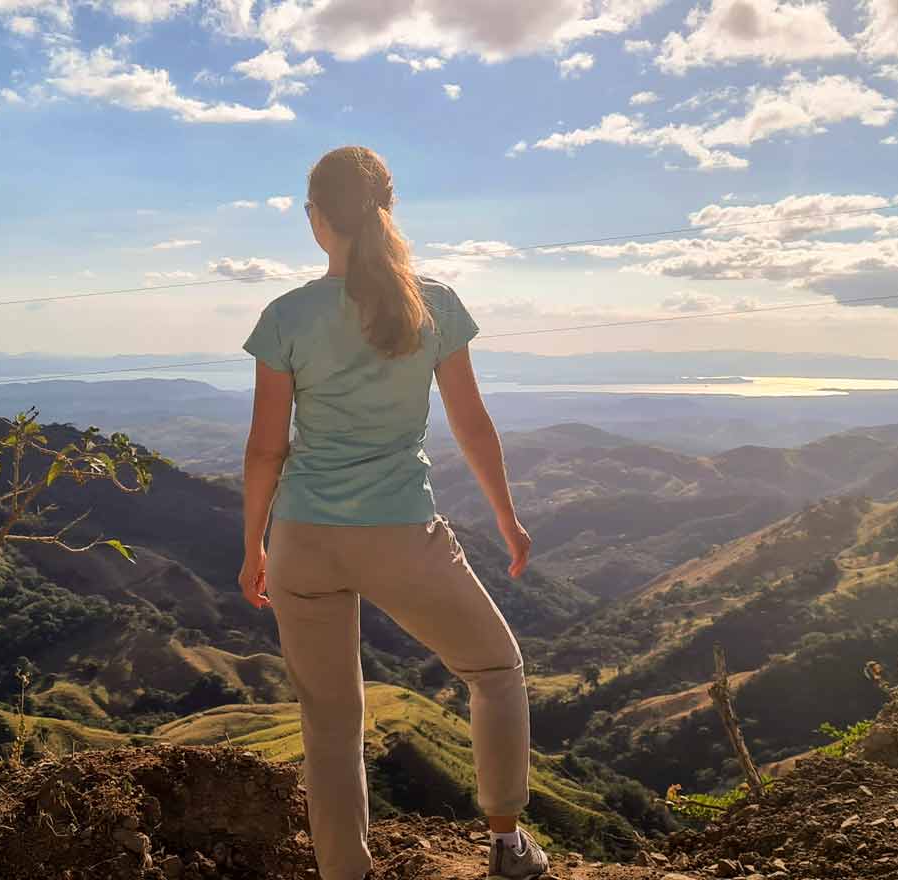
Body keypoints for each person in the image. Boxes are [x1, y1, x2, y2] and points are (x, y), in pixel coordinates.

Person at [238, 145, 547, 880]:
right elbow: (473, 425)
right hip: (402, 535)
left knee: (331, 725)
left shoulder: (286, 316)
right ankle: (507, 845)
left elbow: (264, 451)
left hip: (304, 543)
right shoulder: (433, 302)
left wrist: (254, 547)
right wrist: (506, 517)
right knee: (496, 669)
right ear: (386, 210)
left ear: (316, 218)